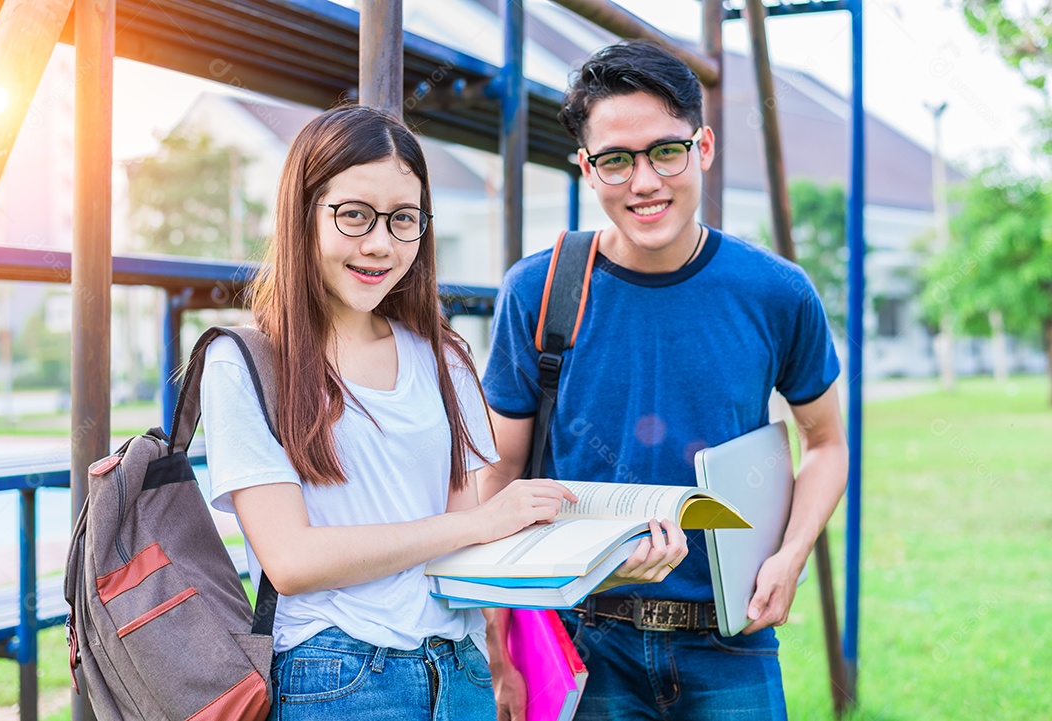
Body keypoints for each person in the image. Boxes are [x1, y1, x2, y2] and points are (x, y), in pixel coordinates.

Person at [478, 41, 849, 721]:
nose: (644, 181)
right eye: (616, 160)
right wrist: (498, 645)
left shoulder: (777, 292)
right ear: (586, 169)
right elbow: (496, 476)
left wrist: (791, 554)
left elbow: (826, 444)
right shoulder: (538, 290)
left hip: (731, 637)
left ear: (703, 146)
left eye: (665, 151)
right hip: (579, 637)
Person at [199, 104, 578, 721]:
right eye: (353, 216)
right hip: (338, 677)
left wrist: (596, 562)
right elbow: (292, 562)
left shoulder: (444, 356)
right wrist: (480, 524)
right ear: (302, 215)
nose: (380, 244)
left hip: (458, 668)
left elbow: (464, 551)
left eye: (404, 220)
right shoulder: (246, 362)